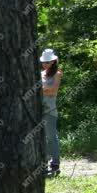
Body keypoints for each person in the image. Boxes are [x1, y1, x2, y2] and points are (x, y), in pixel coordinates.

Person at [40, 48, 63, 177]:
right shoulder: (41, 73)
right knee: (41, 138)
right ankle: (43, 164)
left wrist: (40, 89)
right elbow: (46, 89)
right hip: (39, 110)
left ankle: (55, 164)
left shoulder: (57, 73)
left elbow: (53, 91)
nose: (45, 64)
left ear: (53, 61)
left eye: (48, 62)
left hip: (50, 110)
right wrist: (44, 89)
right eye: (44, 62)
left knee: (51, 137)